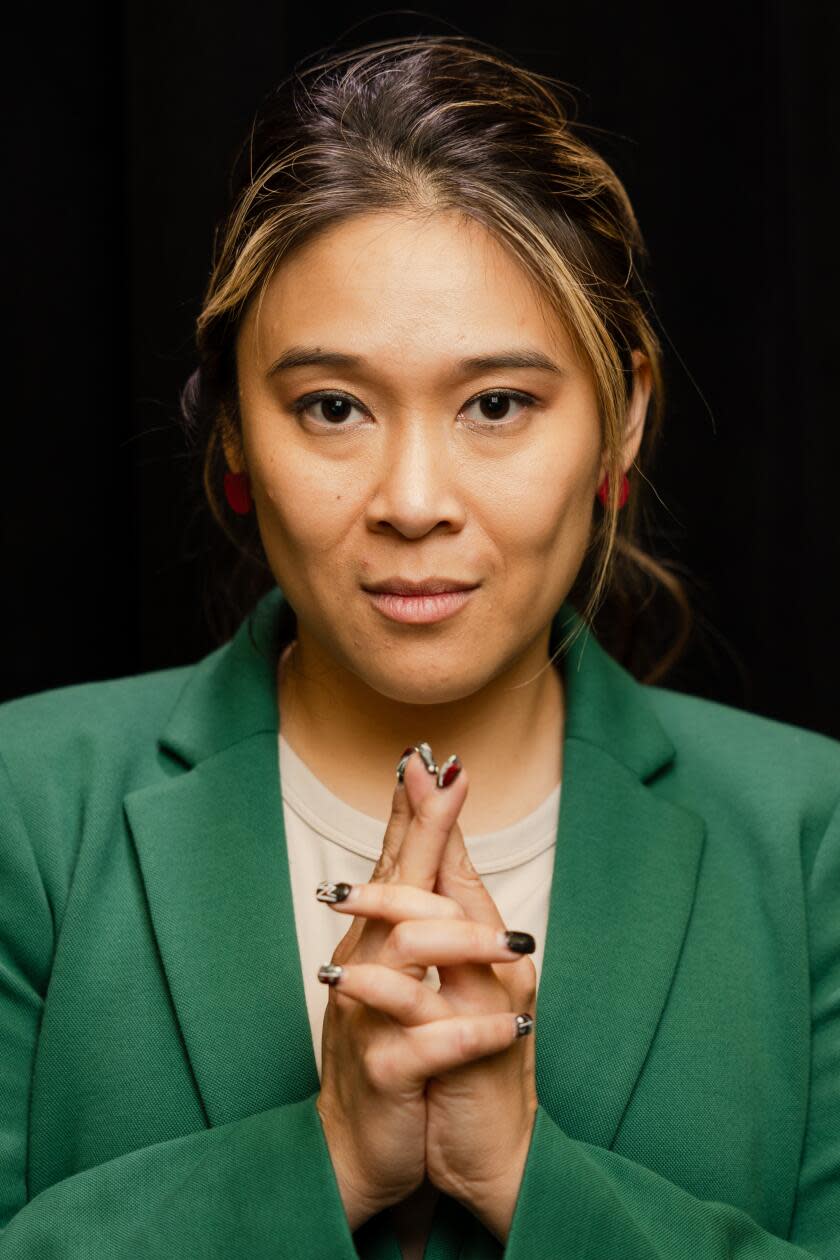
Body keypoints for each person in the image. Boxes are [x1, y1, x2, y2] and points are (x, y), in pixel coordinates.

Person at [1, 31, 838, 1260]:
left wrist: (524, 1176)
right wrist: (326, 1155)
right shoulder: (25, 802)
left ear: (624, 421)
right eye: (331, 406)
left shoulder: (813, 833)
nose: (411, 497)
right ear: (233, 431)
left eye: (497, 405)